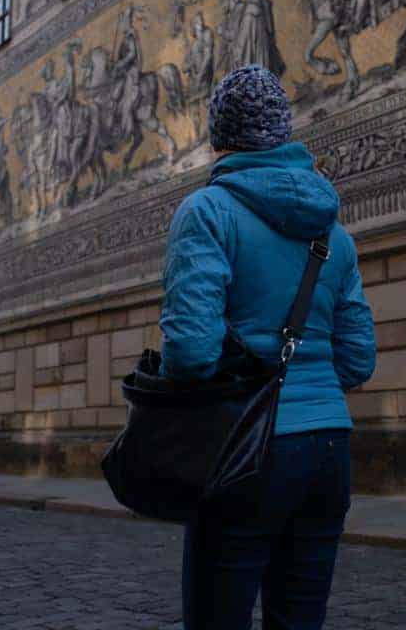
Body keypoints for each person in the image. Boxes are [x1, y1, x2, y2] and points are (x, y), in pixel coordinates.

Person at [160, 65, 376, 629]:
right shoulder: (333, 233)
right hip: (328, 449)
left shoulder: (206, 213)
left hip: (244, 451)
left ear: (219, 139)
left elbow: (190, 353)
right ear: (282, 133)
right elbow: (358, 359)